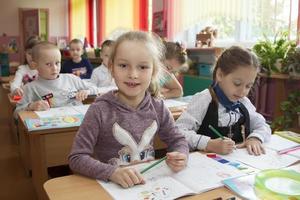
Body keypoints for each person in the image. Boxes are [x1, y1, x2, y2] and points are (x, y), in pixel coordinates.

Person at [69, 31, 189, 188]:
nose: (133, 74)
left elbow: (178, 140)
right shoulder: (99, 110)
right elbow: (77, 158)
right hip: (112, 188)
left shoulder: (158, 107)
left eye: (143, 67)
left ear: (154, 71)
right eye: (123, 65)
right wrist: (111, 172)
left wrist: (181, 154)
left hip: (148, 186)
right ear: (111, 68)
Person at [176, 46, 271, 156]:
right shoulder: (204, 99)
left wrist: (255, 138)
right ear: (220, 75)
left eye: (248, 86)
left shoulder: (243, 102)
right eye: (237, 83)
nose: (242, 91)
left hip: (233, 163)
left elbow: (263, 126)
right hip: (204, 163)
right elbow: (178, 132)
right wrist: (208, 144)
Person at [15, 42, 99, 113]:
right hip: (53, 129)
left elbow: (95, 88)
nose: (55, 68)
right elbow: (16, 112)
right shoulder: (30, 88)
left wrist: (87, 91)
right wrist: (30, 106)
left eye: (57, 63)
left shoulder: (71, 78)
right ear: (35, 65)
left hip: (79, 125)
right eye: (48, 64)